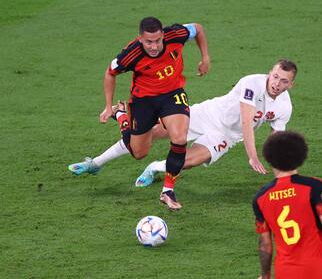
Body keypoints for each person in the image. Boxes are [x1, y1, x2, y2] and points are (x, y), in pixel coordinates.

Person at [69, 59, 297, 188]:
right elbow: (247, 121)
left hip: (226, 136)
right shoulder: (252, 83)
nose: (276, 83)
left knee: (189, 161)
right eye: (275, 76)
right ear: (270, 73)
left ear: (291, 85)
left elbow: (276, 140)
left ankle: (155, 167)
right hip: (207, 114)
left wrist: (282, 174)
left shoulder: (285, 107)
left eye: (283, 81)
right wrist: (252, 155)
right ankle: (96, 163)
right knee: (151, 132)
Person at [77, 16, 210, 210]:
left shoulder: (176, 34)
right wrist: (107, 106)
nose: (154, 46)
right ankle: (121, 115)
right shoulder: (131, 54)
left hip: (172, 94)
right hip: (143, 101)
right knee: (139, 152)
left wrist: (205, 57)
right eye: (149, 42)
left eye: (158, 40)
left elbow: (197, 28)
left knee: (180, 138)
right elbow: (110, 73)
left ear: (163, 35)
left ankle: (168, 191)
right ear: (140, 39)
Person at [253, 131, 322, 279]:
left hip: (285, 273)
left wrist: (265, 275)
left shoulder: (260, 197)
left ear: (269, 158)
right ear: (301, 156)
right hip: (315, 271)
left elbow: (265, 244)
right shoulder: (316, 187)